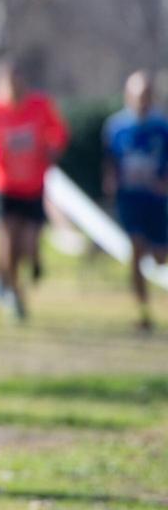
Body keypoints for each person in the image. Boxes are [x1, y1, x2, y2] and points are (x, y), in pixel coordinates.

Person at [0, 59, 67, 322]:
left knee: (28, 243)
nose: (13, 91)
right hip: (2, 186)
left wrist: (53, 149)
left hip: (32, 186)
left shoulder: (40, 106)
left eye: (18, 83)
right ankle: (13, 293)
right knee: (7, 242)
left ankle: (27, 267)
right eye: (7, 85)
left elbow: (59, 132)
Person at [102, 70, 168, 331]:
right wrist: (110, 181)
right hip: (129, 200)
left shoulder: (162, 127)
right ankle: (142, 309)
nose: (142, 100)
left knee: (160, 257)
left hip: (155, 200)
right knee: (136, 248)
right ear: (128, 96)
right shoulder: (116, 126)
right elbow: (109, 162)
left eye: (146, 95)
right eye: (137, 95)